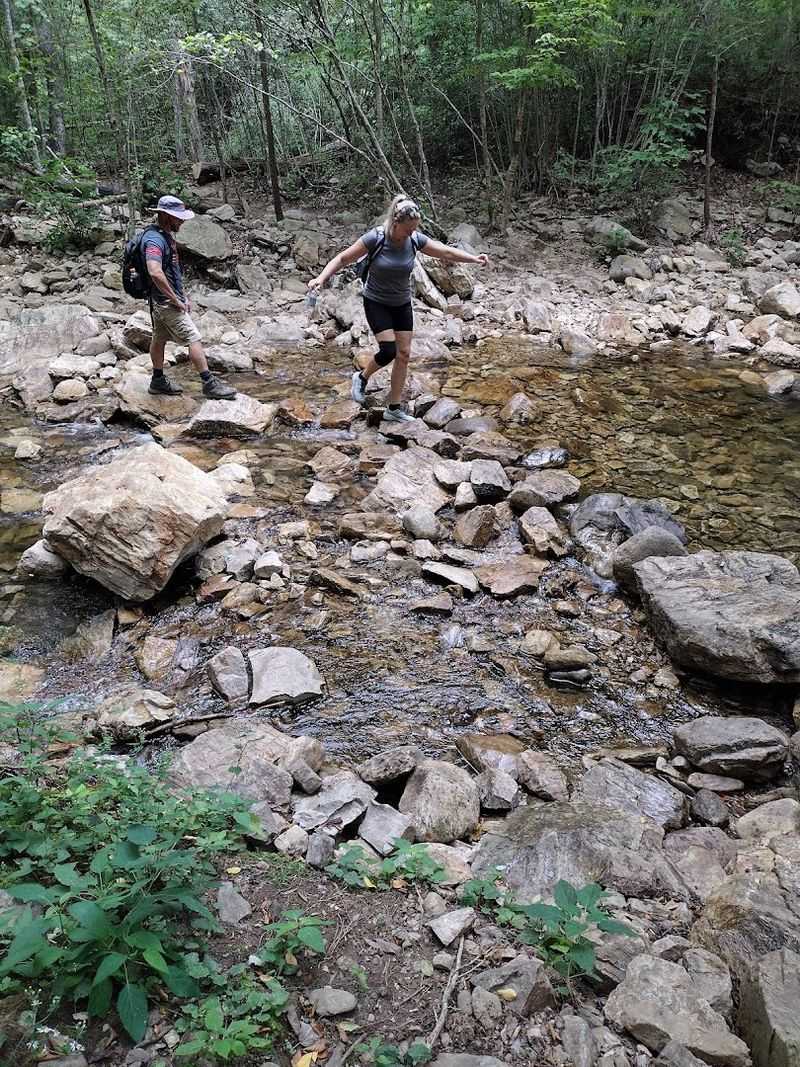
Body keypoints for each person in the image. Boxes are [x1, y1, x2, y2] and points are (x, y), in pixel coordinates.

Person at [308, 194, 488, 422]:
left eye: (415, 229)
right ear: (395, 222)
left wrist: (474, 258)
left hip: (402, 303)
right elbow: (343, 258)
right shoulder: (376, 238)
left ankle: (394, 408)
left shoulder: (414, 240)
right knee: (389, 351)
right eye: (408, 229)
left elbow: (446, 252)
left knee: (404, 355)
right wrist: (321, 278)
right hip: (376, 302)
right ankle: (361, 378)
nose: (412, 233)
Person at [144, 195, 236, 400]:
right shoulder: (154, 240)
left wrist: (183, 295)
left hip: (159, 301)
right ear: (166, 216)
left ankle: (157, 380)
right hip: (165, 302)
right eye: (178, 217)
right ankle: (209, 383)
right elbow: (155, 271)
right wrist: (175, 300)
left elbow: (171, 272)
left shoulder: (163, 235)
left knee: (159, 338)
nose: (182, 221)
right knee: (193, 338)